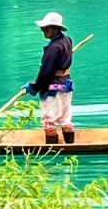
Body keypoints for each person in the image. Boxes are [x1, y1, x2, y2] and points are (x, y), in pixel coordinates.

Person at [24, 11, 75, 145]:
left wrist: (34, 86)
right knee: (65, 118)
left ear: (55, 28)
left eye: (46, 29)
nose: (44, 32)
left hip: (53, 86)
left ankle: (52, 150)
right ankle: (70, 145)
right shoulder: (67, 40)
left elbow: (46, 72)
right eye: (43, 29)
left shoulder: (53, 47)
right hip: (66, 84)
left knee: (49, 120)